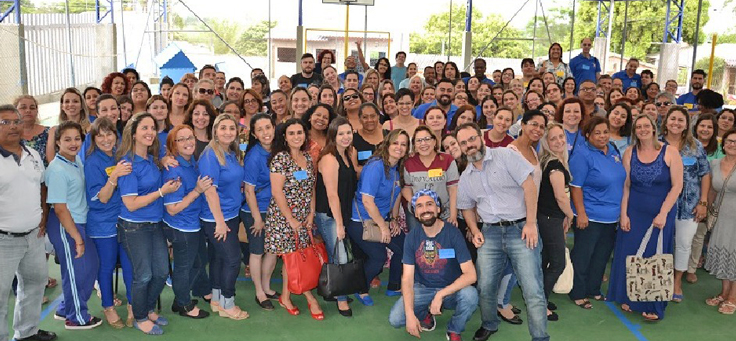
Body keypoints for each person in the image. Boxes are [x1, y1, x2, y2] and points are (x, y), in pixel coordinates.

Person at [455, 122, 548, 341]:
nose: (469, 145)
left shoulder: (505, 155)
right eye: (463, 143)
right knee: (486, 287)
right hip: (490, 234)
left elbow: (529, 186)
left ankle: (540, 337)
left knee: (532, 289)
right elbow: (466, 206)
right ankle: (489, 323)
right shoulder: (466, 177)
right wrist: (474, 229)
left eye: (471, 139)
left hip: (521, 229)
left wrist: (531, 223)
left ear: (481, 137)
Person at [608, 114, 683, 321]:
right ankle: (629, 296)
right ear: (634, 131)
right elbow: (626, 185)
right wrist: (623, 215)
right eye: (638, 127)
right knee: (630, 254)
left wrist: (663, 213)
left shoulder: (670, 152)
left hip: (661, 214)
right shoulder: (630, 153)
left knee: (654, 258)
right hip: (634, 213)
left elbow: (677, 186)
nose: (642, 129)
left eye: (646, 126)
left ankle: (652, 301)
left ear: (653, 128)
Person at [388, 189, 479, 341]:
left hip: (451, 289)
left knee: (470, 295)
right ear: (415, 214)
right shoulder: (412, 237)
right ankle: (425, 314)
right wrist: (410, 315)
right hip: (423, 287)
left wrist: (441, 294)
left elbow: (471, 275)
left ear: (438, 209)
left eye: (429, 204)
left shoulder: (453, 233)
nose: (425, 210)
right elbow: (407, 278)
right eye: (420, 206)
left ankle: (454, 329)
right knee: (396, 319)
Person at [116, 112, 178, 335]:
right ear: (133, 134)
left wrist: (163, 162)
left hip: (155, 224)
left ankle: (148, 308)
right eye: (144, 128)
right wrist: (162, 192)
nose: (150, 132)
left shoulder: (151, 160)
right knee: (143, 275)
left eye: (152, 128)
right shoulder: (127, 164)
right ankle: (140, 316)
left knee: (161, 272)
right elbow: (131, 204)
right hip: (134, 227)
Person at [0, 104, 57, 341]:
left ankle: (27, 333)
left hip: (34, 235)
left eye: (17, 121)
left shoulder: (33, 155)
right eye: (6, 122)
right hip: (4, 239)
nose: (14, 126)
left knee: (34, 285)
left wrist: (43, 217)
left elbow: (42, 187)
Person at [45, 121, 102, 330]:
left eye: (77, 138)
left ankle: (65, 308)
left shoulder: (75, 161)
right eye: (67, 139)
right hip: (66, 224)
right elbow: (60, 208)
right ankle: (75, 316)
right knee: (75, 271)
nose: (73, 143)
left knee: (91, 266)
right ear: (58, 141)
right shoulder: (57, 168)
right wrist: (77, 237)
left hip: (80, 222)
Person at [265, 118, 324, 320]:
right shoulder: (280, 159)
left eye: (300, 132)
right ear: (284, 137)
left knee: (298, 258)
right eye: (292, 133)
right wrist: (290, 219)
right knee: (292, 259)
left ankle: (285, 296)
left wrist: (311, 212)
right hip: (283, 218)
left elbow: (311, 188)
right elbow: (277, 191)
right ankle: (308, 298)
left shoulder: (307, 158)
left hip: (303, 217)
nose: (296, 136)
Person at [568, 115, 626, 310]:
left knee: (601, 256)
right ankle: (578, 292)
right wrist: (581, 214)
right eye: (597, 133)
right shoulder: (582, 155)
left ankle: (594, 289)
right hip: (590, 216)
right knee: (583, 256)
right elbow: (576, 187)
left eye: (605, 132)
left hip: (611, 217)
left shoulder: (613, 151)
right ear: (587, 135)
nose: (602, 136)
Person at [347, 129, 409, 304]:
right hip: (362, 221)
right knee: (378, 257)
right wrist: (383, 227)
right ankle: (361, 288)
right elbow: (367, 201)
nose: (399, 147)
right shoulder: (376, 166)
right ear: (387, 144)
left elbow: (395, 196)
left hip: (381, 218)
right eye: (396, 143)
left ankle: (394, 285)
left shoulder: (397, 168)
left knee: (403, 248)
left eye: (403, 144)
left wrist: (394, 219)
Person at [83, 118, 134, 328]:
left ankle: (132, 304)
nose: (106, 139)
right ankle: (108, 306)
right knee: (106, 267)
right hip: (102, 223)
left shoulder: (120, 156)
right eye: (100, 135)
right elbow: (102, 198)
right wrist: (114, 178)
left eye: (109, 134)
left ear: (116, 135)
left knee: (130, 264)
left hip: (124, 220)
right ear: (94, 139)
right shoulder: (92, 162)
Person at [198, 114, 248, 320]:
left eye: (232, 128)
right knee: (233, 259)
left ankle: (217, 299)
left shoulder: (229, 152)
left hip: (231, 214)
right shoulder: (211, 155)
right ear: (215, 131)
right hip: (216, 218)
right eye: (223, 128)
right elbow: (210, 191)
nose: (228, 132)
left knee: (220, 258)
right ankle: (228, 302)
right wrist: (219, 221)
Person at [161, 125, 212, 319]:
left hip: (193, 223)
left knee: (199, 263)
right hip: (181, 226)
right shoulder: (174, 170)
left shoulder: (192, 163)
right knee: (185, 266)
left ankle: (180, 298)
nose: (188, 142)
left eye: (190, 138)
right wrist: (197, 191)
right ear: (173, 146)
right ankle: (184, 305)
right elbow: (172, 208)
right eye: (181, 140)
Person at [661, 107, 710, 303]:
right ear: (665, 121)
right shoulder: (656, 144)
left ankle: (676, 281)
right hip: (661, 204)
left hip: (689, 206)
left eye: (680, 120)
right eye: (672, 119)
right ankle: (658, 279)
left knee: (683, 244)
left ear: (686, 124)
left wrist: (703, 202)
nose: (676, 123)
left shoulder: (695, 146)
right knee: (660, 243)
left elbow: (704, 174)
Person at [315, 117, 358, 317]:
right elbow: (332, 194)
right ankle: (341, 300)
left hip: (342, 212)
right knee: (339, 255)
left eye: (348, 132)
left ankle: (335, 290)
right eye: (341, 133)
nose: (345, 137)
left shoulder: (348, 154)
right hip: (330, 215)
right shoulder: (329, 158)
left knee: (339, 254)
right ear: (333, 135)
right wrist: (340, 225)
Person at [240, 114, 281, 312]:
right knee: (257, 252)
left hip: (276, 209)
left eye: (268, 127)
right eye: (260, 129)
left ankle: (267, 287)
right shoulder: (254, 156)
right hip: (256, 210)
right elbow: (248, 190)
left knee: (272, 250)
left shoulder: (279, 150)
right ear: (255, 134)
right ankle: (259, 292)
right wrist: (257, 217)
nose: (266, 132)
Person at [537, 122, 574, 321]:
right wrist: (571, 215)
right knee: (557, 263)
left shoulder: (549, 161)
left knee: (546, 260)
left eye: (561, 136)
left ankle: (541, 298)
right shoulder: (554, 166)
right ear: (546, 142)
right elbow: (561, 197)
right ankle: (540, 304)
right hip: (551, 219)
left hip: (547, 218)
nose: (559, 141)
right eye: (553, 138)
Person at [402, 125, 459, 232]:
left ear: (434, 141)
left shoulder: (447, 160)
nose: (423, 144)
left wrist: (453, 215)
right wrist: (417, 205)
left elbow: (453, 189)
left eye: (427, 139)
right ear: (414, 145)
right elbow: (406, 188)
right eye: (419, 141)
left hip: (443, 213)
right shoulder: (408, 162)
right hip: (417, 215)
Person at [704, 129, 736, 314]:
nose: (733, 144)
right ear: (723, 144)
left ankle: (733, 297)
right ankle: (724, 293)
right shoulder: (714, 164)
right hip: (720, 216)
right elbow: (711, 191)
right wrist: (707, 210)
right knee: (724, 250)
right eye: (730, 141)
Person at [15, 96, 50, 167]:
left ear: (37, 111)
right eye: (23, 107)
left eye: (32, 108)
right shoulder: (9, 136)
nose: (28, 110)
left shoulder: (49, 133)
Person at [353, 102, 385, 167]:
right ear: (359, 119)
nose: (369, 120)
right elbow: (355, 168)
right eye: (365, 117)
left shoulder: (389, 136)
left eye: (373, 116)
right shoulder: (353, 139)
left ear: (378, 117)